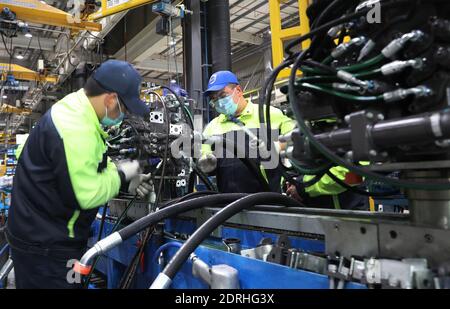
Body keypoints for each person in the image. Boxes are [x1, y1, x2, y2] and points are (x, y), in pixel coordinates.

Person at [6, 60, 153, 289]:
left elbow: (86, 167)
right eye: (124, 109)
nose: (123, 116)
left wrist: (122, 180)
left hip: (46, 235)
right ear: (111, 99)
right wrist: (123, 174)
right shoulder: (75, 127)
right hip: (46, 248)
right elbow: (88, 194)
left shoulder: (78, 111)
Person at [199, 70, 296, 193]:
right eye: (214, 99)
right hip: (228, 202)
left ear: (238, 91)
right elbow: (204, 155)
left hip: (268, 200)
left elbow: (297, 137)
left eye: (223, 96)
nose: (219, 102)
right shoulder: (212, 127)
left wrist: (277, 146)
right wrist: (206, 161)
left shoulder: (268, 114)